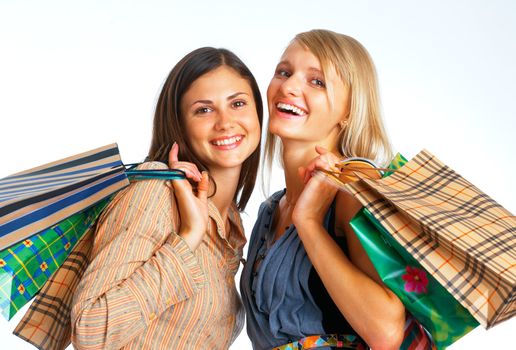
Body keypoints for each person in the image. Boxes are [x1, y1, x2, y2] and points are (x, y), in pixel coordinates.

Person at [241, 30, 433, 350]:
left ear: (348, 111)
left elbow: (386, 332)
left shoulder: (351, 195)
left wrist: (309, 223)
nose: (288, 87)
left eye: (317, 82)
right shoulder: (269, 211)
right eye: (284, 72)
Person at [70, 47, 263, 349]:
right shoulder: (155, 192)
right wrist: (187, 239)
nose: (225, 122)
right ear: (179, 125)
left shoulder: (233, 226)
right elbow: (91, 331)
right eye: (204, 109)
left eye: (237, 103)